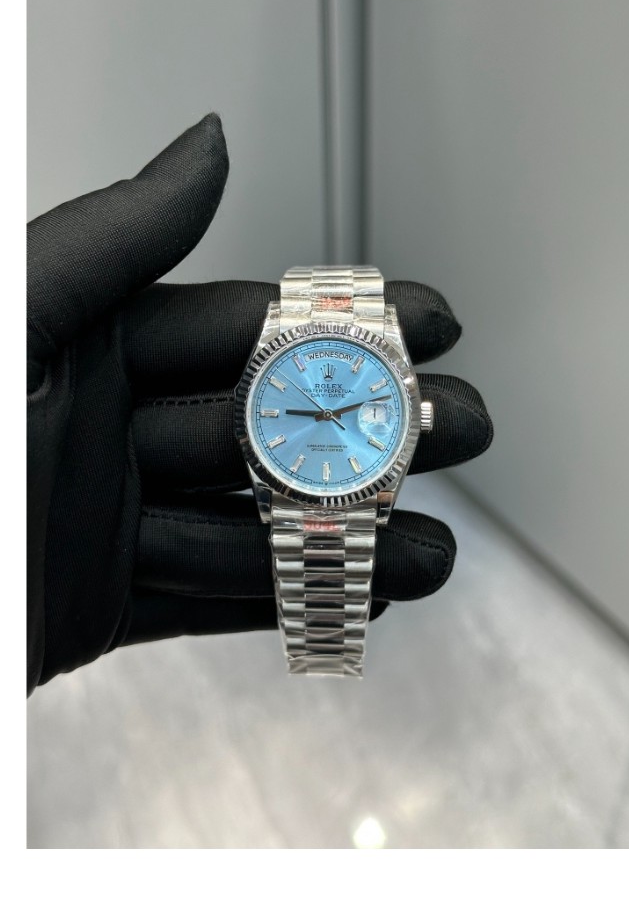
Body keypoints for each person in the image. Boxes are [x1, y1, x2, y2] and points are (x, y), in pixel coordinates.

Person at [27, 113, 493, 694]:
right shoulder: (265, 411)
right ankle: (324, 642)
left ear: (416, 419)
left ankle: (325, 641)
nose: (328, 417)